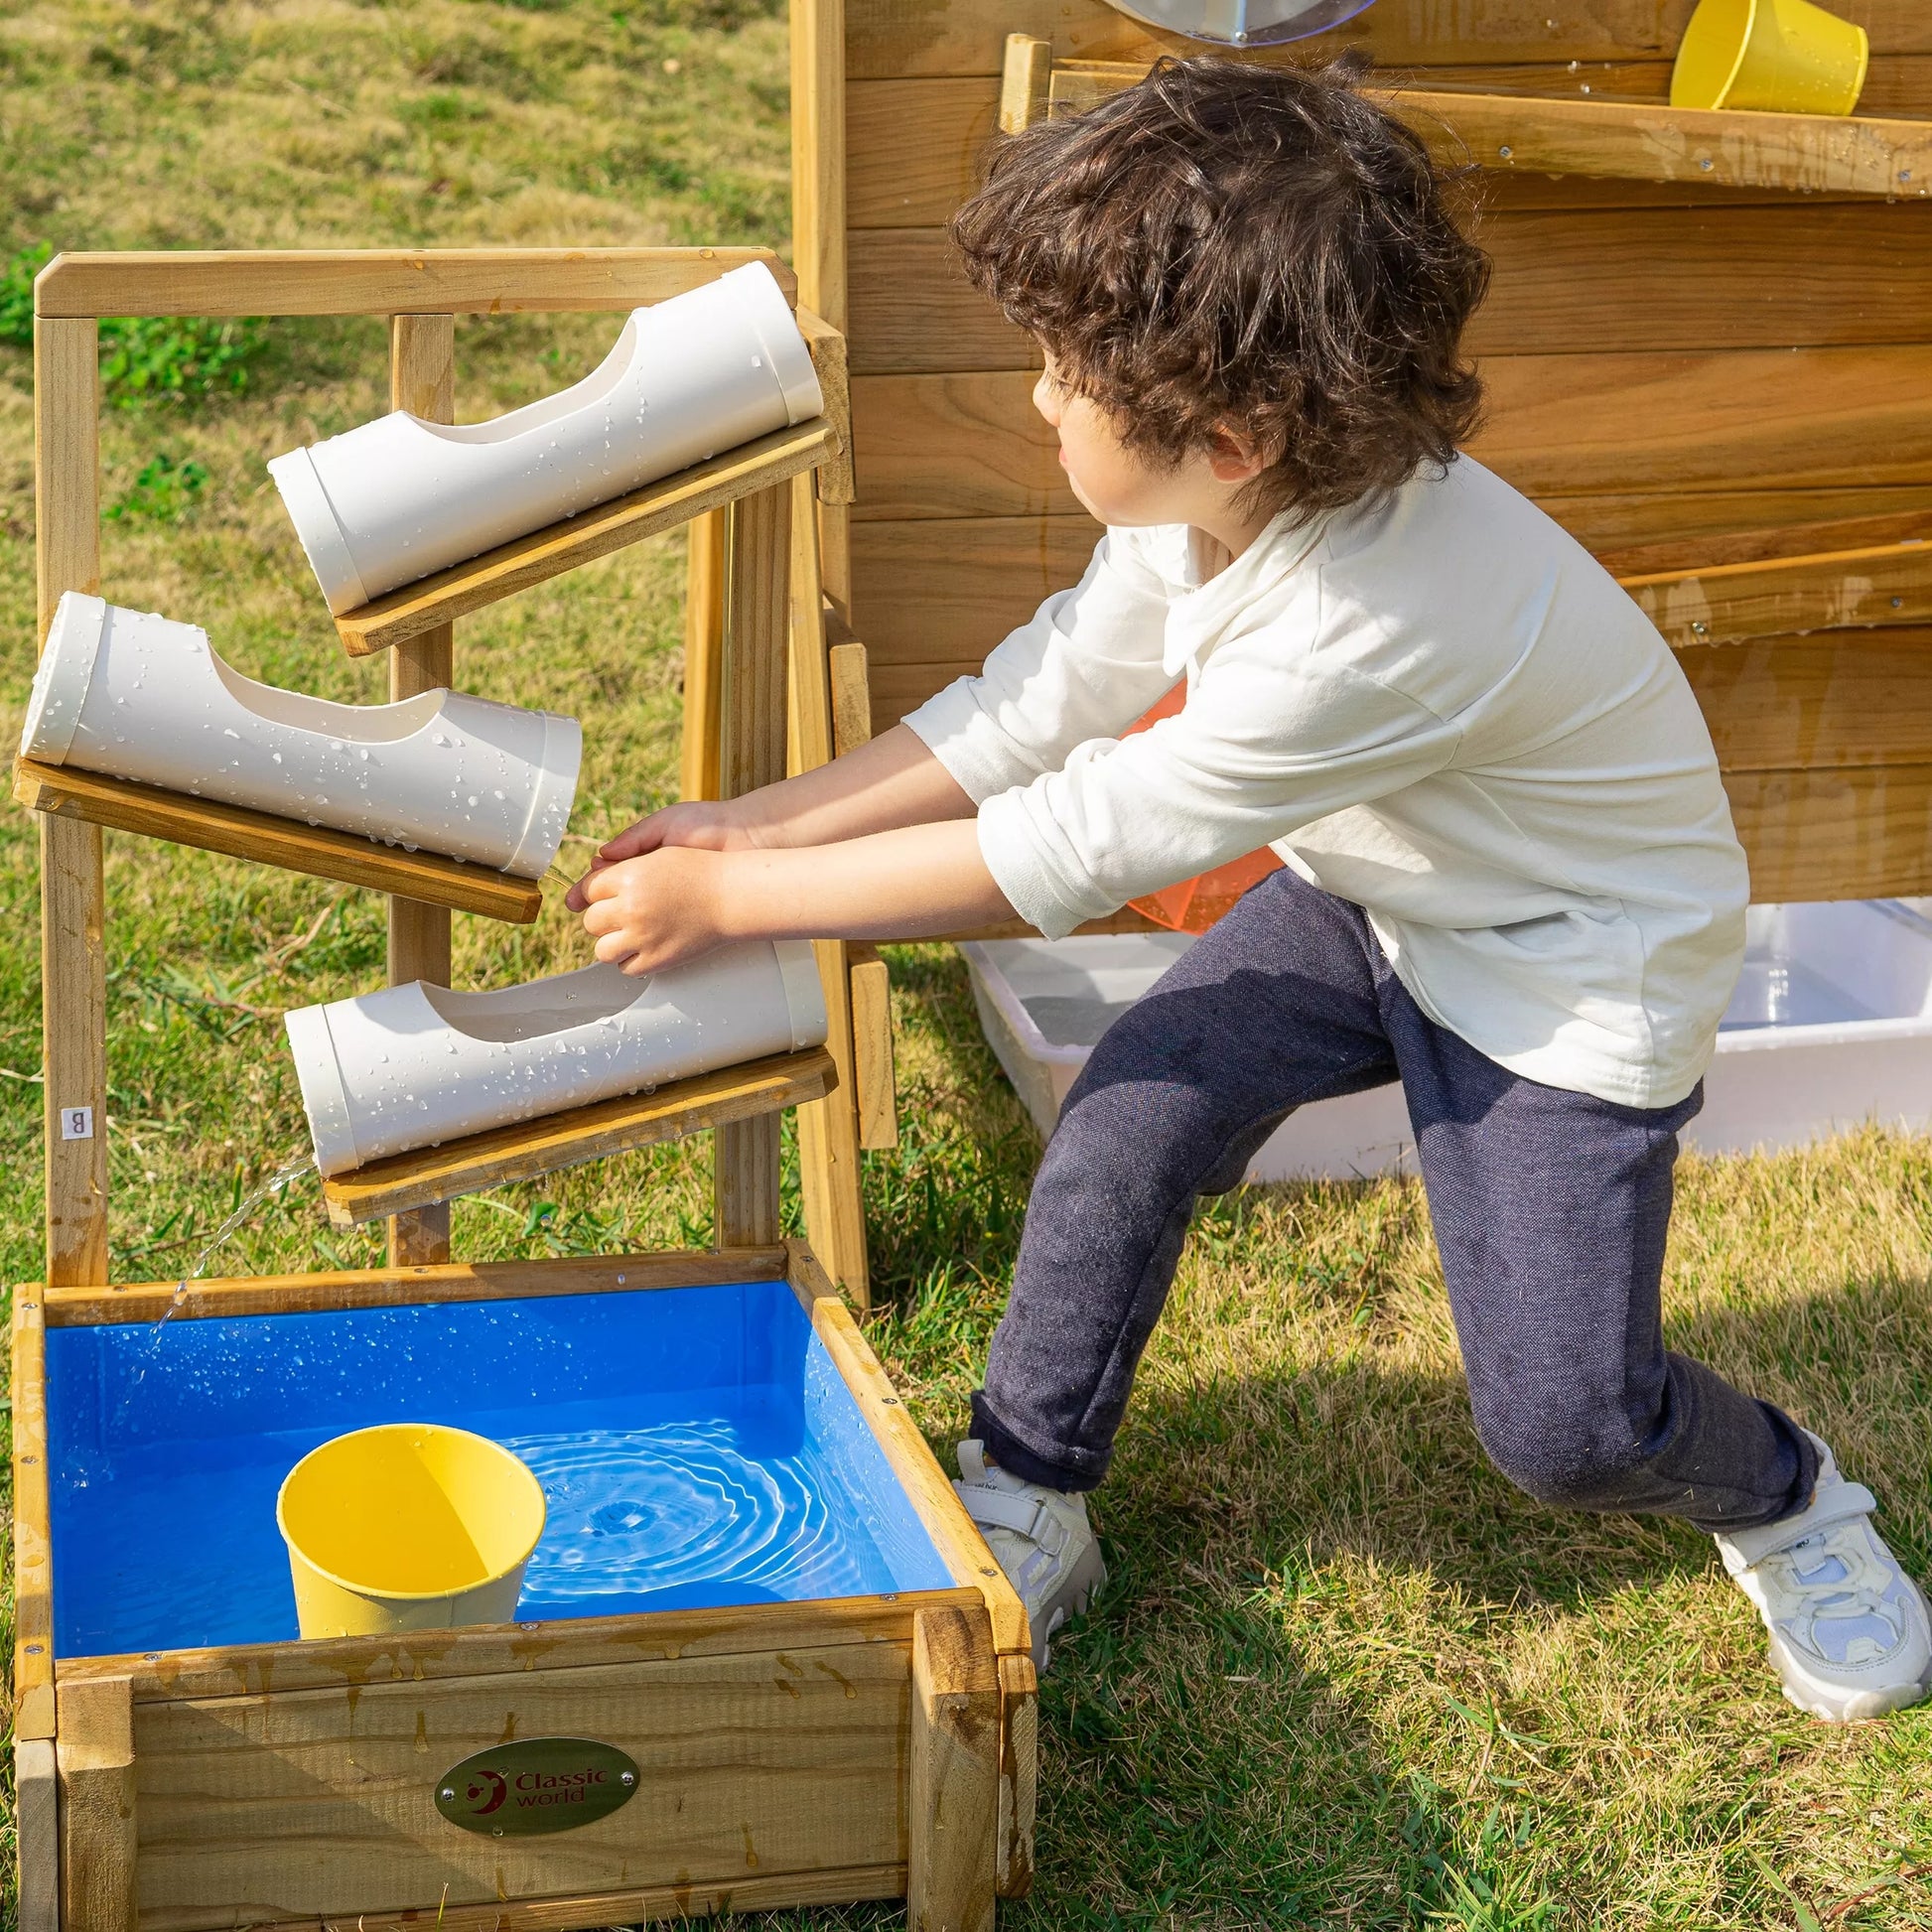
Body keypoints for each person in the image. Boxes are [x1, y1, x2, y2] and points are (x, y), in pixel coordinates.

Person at [567, 57, 1930, 1723]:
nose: (1035, 400)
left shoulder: (1376, 620)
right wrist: (756, 829)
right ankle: (1031, 1489)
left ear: (1226, 432)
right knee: (1126, 1121)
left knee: (1566, 1426)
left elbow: (1076, 846)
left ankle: (1789, 1492)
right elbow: (1035, 703)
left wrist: (736, 908)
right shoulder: (1223, 495)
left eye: (1061, 373)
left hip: (1571, 964)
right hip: (1379, 893)